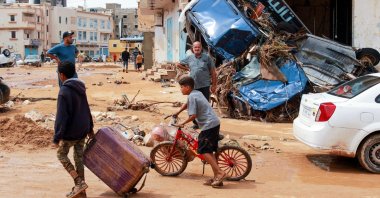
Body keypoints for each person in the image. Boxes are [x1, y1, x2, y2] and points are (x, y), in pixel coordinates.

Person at [172, 76, 226, 188]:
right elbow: (186, 104)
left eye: (181, 87)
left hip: (209, 125)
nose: (181, 89)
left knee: (203, 150)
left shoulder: (192, 96)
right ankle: (216, 177)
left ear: (187, 87)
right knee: (209, 150)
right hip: (214, 122)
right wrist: (177, 112)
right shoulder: (196, 93)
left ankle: (220, 173)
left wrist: (182, 123)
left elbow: (193, 115)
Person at [53, 61, 94, 198]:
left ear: (61, 75)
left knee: (61, 155)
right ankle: (81, 192)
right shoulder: (80, 87)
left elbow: (61, 117)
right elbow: (86, 108)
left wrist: (57, 137)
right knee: (79, 158)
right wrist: (90, 128)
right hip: (82, 129)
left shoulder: (63, 91)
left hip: (71, 132)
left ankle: (78, 182)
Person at [176, 41, 217, 129]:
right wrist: (187, 68)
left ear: (201, 48)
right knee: (192, 104)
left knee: (204, 105)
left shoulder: (207, 58)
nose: (197, 49)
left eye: (198, 47)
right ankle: (196, 123)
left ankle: (206, 123)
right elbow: (178, 64)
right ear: (193, 49)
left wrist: (214, 85)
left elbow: (213, 72)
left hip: (205, 85)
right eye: (195, 47)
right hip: (193, 86)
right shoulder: (189, 58)